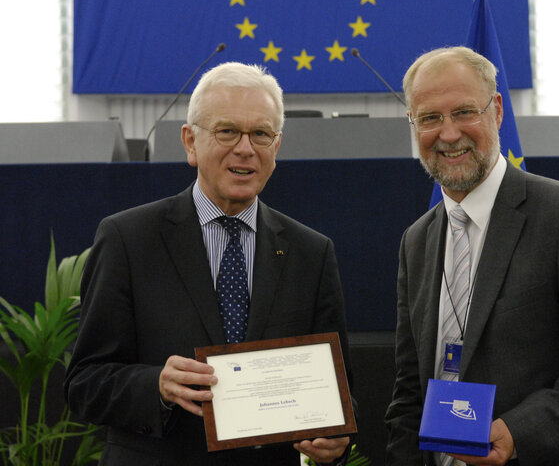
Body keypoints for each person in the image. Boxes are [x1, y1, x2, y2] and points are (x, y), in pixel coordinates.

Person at [64, 62, 352, 465]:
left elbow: (337, 390)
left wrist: (334, 441)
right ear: (190, 142)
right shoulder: (128, 239)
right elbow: (83, 383)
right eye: (227, 131)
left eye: (261, 134)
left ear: (277, 147)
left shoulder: (311, 252)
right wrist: (156, 386)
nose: (245, 148)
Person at [384, 47, 559, 466]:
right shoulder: (416, 240)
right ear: (412, 125)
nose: (449, 133)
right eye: (430, 118)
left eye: (463, 112)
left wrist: (519, 432)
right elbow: (410, 390)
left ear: (497, 111)